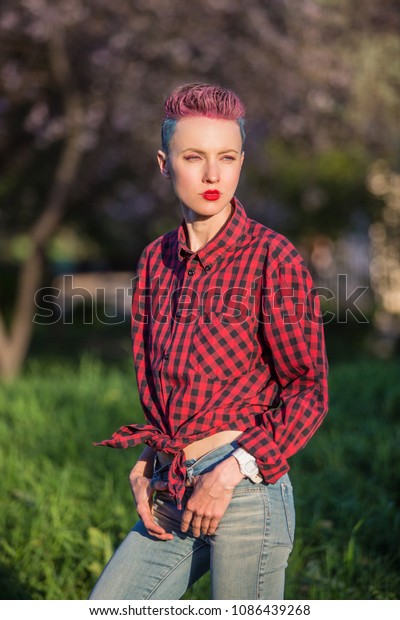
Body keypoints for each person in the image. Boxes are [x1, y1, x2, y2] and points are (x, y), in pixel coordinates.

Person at [89, 83, 328, 600]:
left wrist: (231, 471)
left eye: (227, 157)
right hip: (174, 487)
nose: (213, 175)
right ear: (164, 162)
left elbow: (308, 391)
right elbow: (160, 383)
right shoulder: (156, 261)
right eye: (194, 157)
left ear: (242, 161)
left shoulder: (273, 258)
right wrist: (151, 456)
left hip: (246, 489)